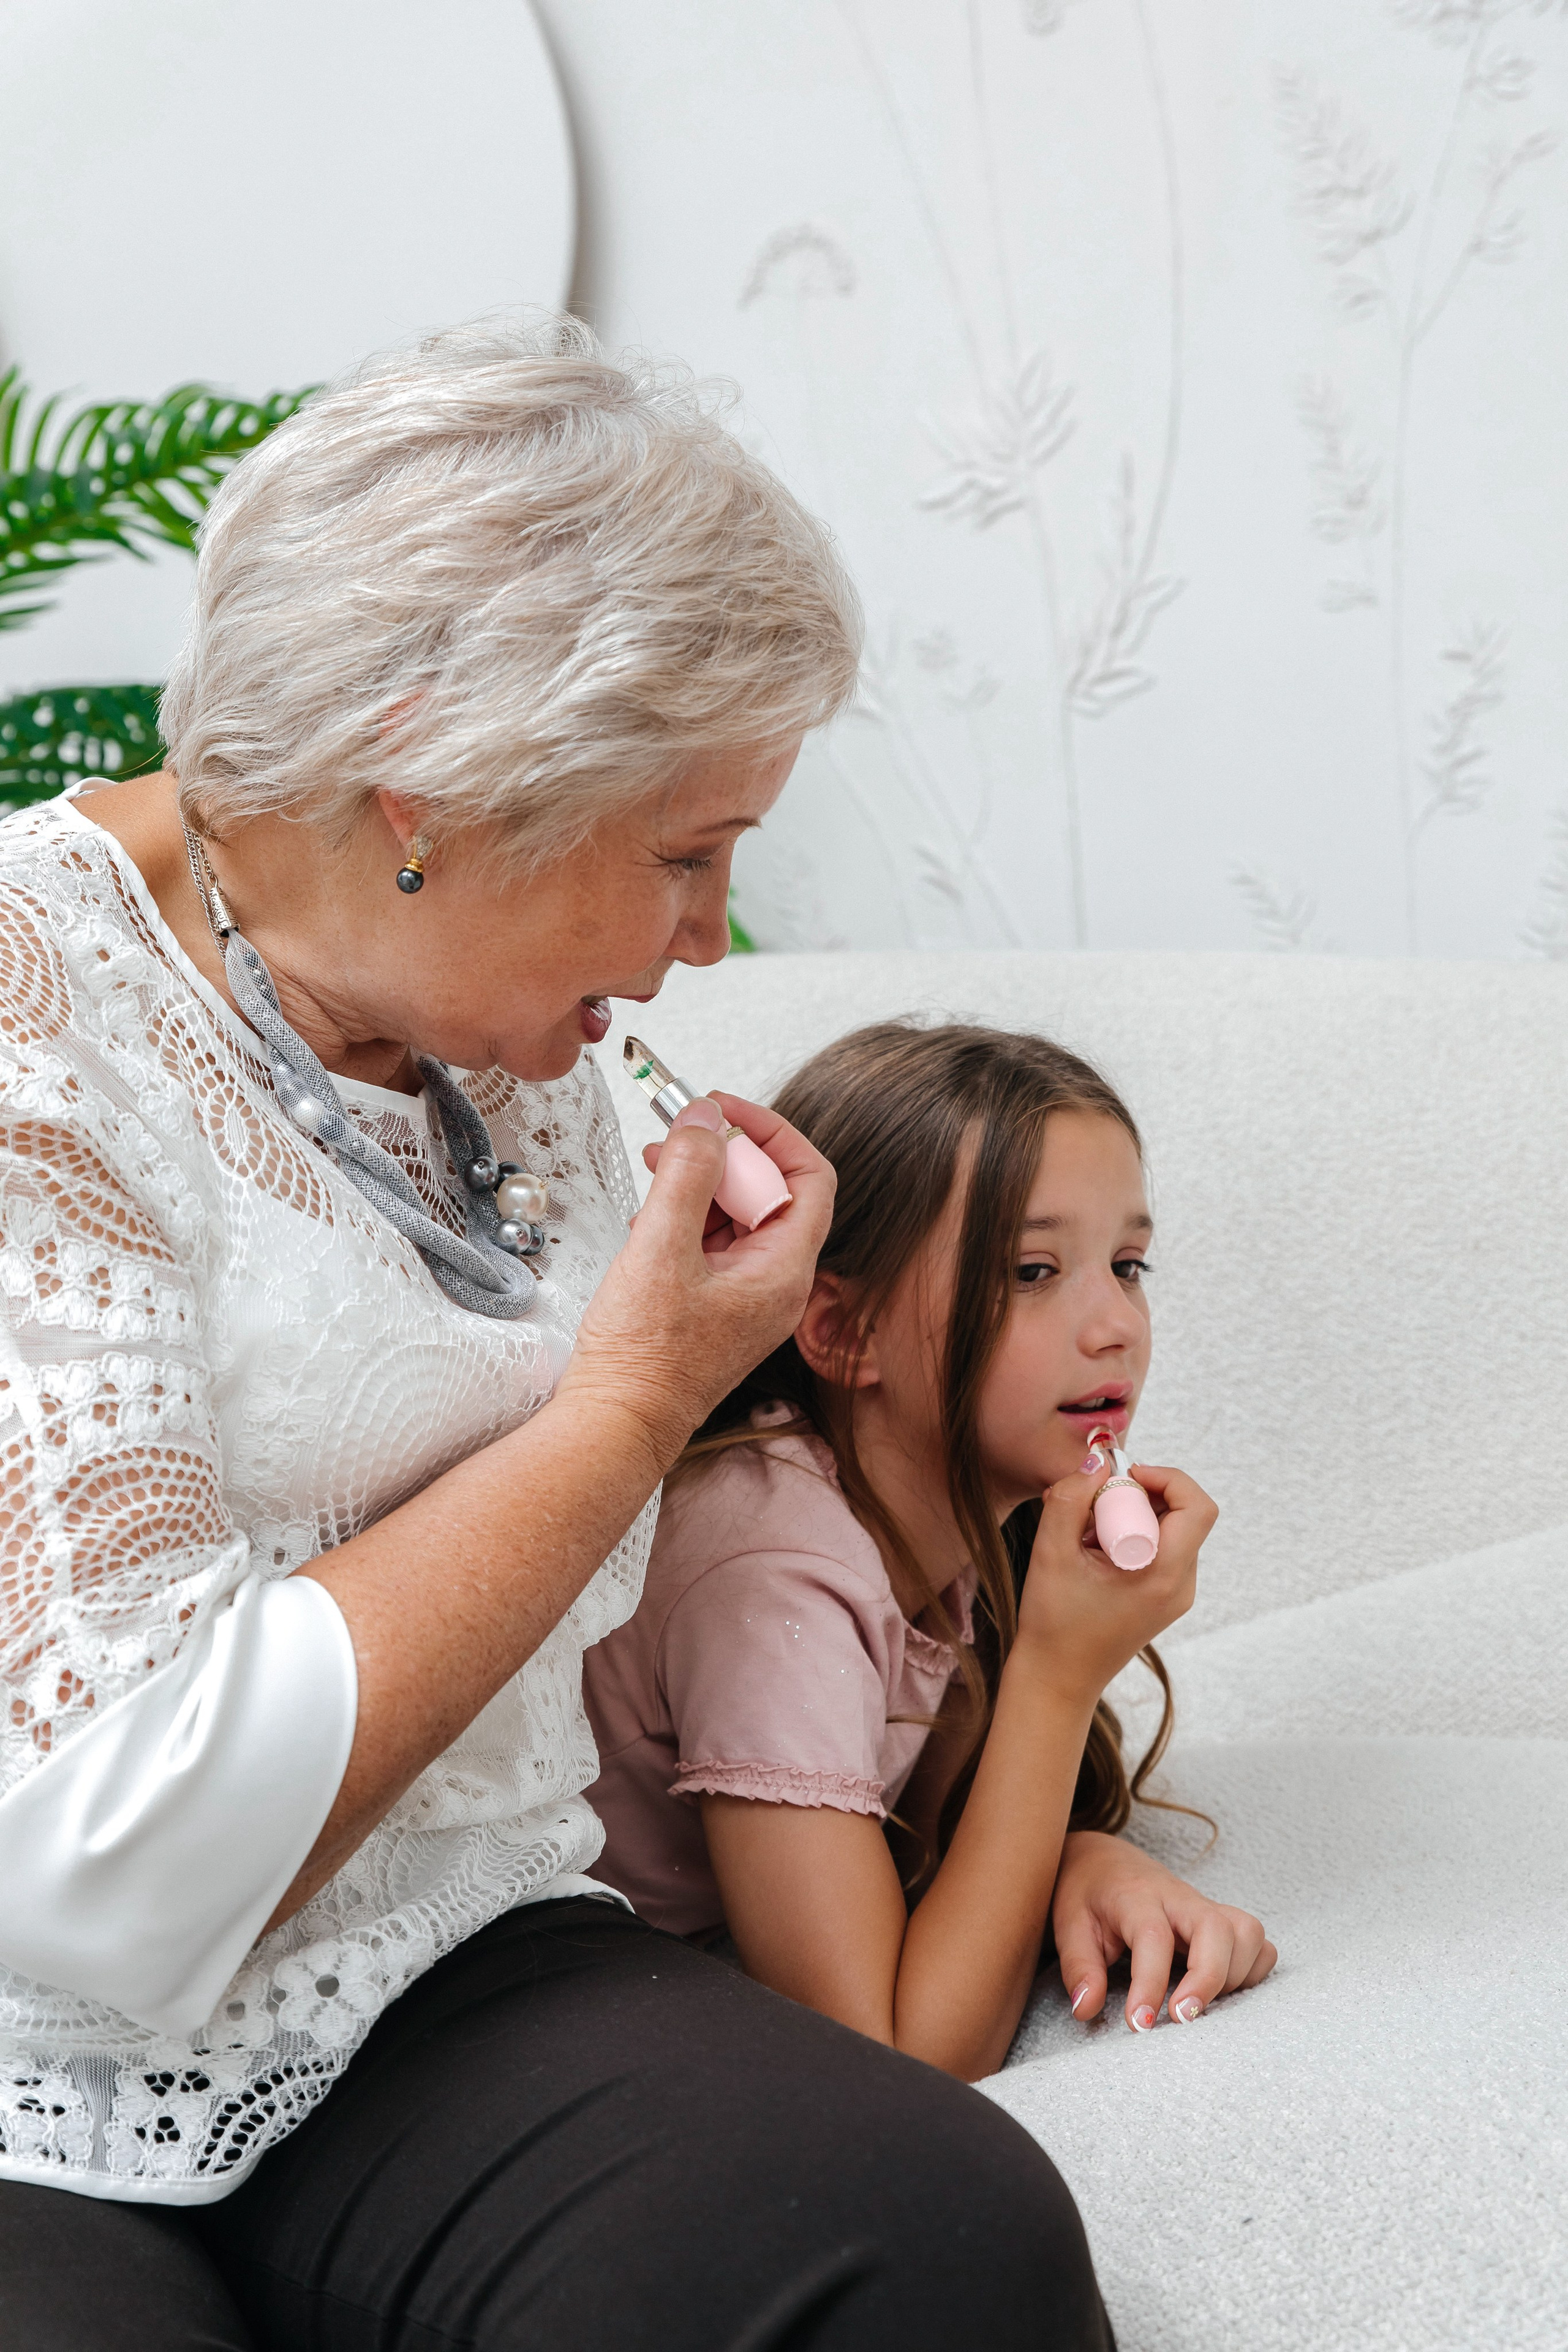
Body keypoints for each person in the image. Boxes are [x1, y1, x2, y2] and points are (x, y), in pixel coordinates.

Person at [0, 320, 1118, 2351]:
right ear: (432, 788)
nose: (709, 938)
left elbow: (776, 1589)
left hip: (430, 1959)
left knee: (937, 2233)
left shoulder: (503, 1051)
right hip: (28, 2038)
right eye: (685, 855)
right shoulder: (35, 1024)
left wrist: (1052, 1836)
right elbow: (104, 1875)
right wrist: (630, 1404)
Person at [584, 1022, 1278, 2081]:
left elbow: (926, 1840)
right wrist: (1057, 1675)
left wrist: (1082, 1858)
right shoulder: (772, 1572)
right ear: (842, 1331)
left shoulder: (946, 1521)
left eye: (1128, 1265)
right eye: (1034, 1271)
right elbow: (891, 2053)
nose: (1117, 1327)